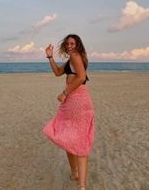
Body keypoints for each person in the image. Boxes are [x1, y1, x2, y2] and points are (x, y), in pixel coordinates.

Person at [42, 34, 94, 190]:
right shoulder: (70, 59)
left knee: (77, 140)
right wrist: (50, 57)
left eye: (73, 43)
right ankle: (75, 175)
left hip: (77, 100)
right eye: (68, 43)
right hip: (71, 102)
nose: (70, 45)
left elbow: (81, 77)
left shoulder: (76, 56)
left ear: (77, 45)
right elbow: (58, 72)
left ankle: (81, 184)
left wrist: (65, 93)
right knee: (69, 138)